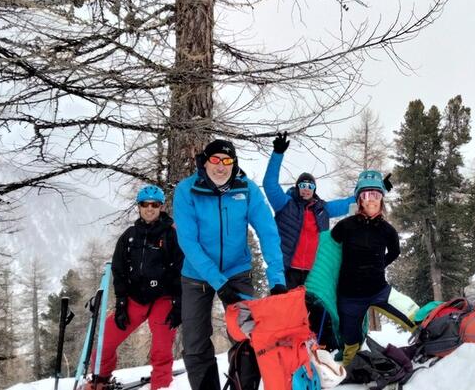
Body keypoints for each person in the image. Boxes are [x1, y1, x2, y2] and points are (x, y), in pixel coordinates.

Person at [173, 139, 287, 390]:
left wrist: (277, 279)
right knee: (195, 341)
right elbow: (188, 242)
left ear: (234, 164)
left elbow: (268, 232)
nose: (221, 167)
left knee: (248, 334)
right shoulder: (186, 190)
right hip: (196, 275)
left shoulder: (246, 189)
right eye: (215, 160)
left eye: (227, 161)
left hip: (237, 272)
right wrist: (218, 282)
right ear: (205, 161)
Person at [86, 185, 184, 390]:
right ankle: (100, 380)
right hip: (135, 298)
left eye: (154, 204)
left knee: (161, 345)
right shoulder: (129, 235)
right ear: (138, 207)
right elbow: (119, 270)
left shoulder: (171, 234)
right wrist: (121, 302)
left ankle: (161, 384)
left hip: (163, 298)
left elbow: (180, 268)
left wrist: (178, 303)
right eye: (145, 204)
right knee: (106, 338)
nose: (150, 209)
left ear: (161, 206)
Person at [331, 170, 415, 367]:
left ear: (382, 200)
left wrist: (378, 267)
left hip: (380, 291)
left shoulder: (387, 230)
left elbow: (395, 252)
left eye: (376, 195)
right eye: (366, 195)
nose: (371, 200)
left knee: (416, 316)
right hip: (349, 297)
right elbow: (331, 250)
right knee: (350, 346)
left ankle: (433, 346)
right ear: (359, 200)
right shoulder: (345, 226)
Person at [262, 131, 359, 289]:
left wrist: (375, 190)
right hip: (288, 271)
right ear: (297, 187)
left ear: (314, 189)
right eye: (302, 186)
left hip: (313, 274)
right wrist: (277, 154)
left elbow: (348, 203)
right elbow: (270, 184)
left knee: (310, 313)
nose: (306, 189)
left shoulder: (322, 209)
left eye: (310, 186)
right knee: (285, 311)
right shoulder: (285, 204)